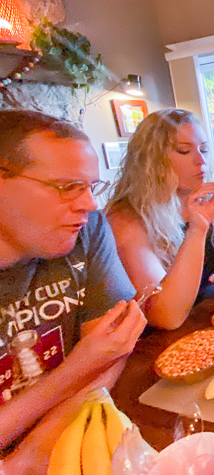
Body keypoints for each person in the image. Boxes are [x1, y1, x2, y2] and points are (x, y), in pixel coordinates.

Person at [0, 110, 145, 472]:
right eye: (67, 187)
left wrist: (35, 449)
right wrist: (80, 365)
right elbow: (95, 358)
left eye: (91, 186)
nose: (90, 204)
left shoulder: (88, 230)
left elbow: (110, 351)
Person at [106, 109, 214, 330]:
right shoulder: (127, 218)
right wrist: (197, 231)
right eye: (184, 151)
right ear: (151, 160)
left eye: (204, 149)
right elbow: (165, 316)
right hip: (163, 337)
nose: (201, 160)